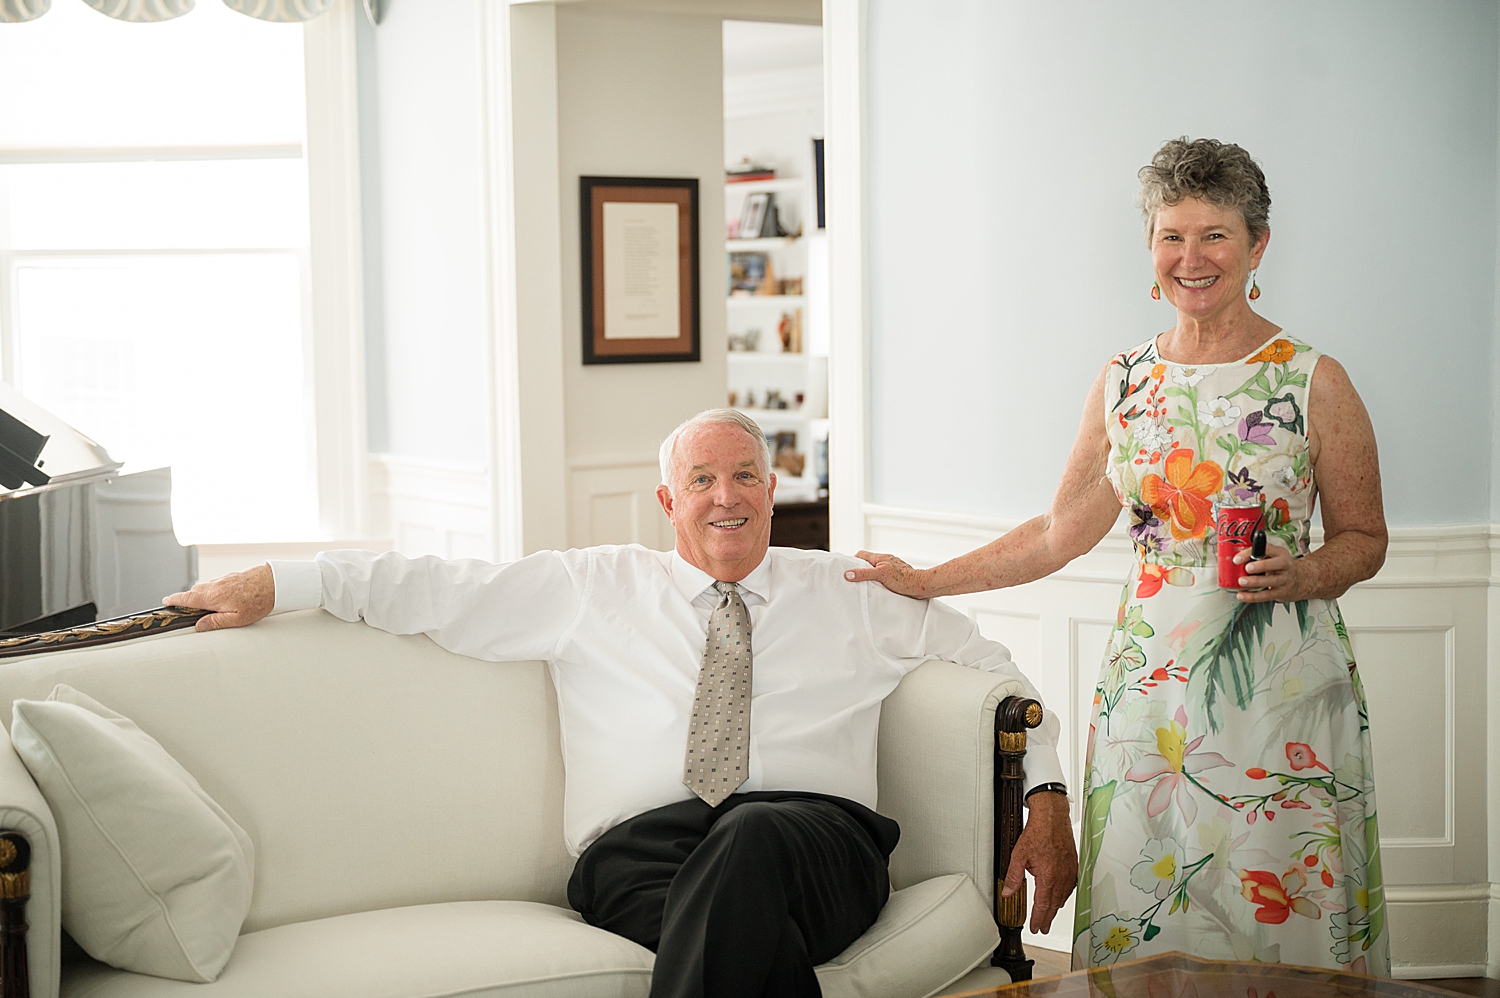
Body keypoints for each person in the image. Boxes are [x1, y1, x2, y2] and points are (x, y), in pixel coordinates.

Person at [165, 408, 1077, 998]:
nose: (727, 498)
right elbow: (433, 588)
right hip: (640, 858)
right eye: (703, 481)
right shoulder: (591, 586)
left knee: (750, 841)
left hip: (816, 841)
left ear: (773, 488)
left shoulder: (856, 589)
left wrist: (1044, 800)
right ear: (666, 501)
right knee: (744, 940)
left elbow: (997, 671)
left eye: (746, 476)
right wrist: (278, 582)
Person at [845, 138, 1389, 974]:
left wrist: (1308, 571)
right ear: (1150, 249)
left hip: (1278, 688)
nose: (1192, 258)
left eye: (1214, 235)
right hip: (1150, 695)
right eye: (1172, 236)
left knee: (1277, 895)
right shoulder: (1125, 382)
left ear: (1257, 246)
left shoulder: (1314, 379)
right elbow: (1057, 533)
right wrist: (922, 580)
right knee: (1153, 894)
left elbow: (1365, 540)